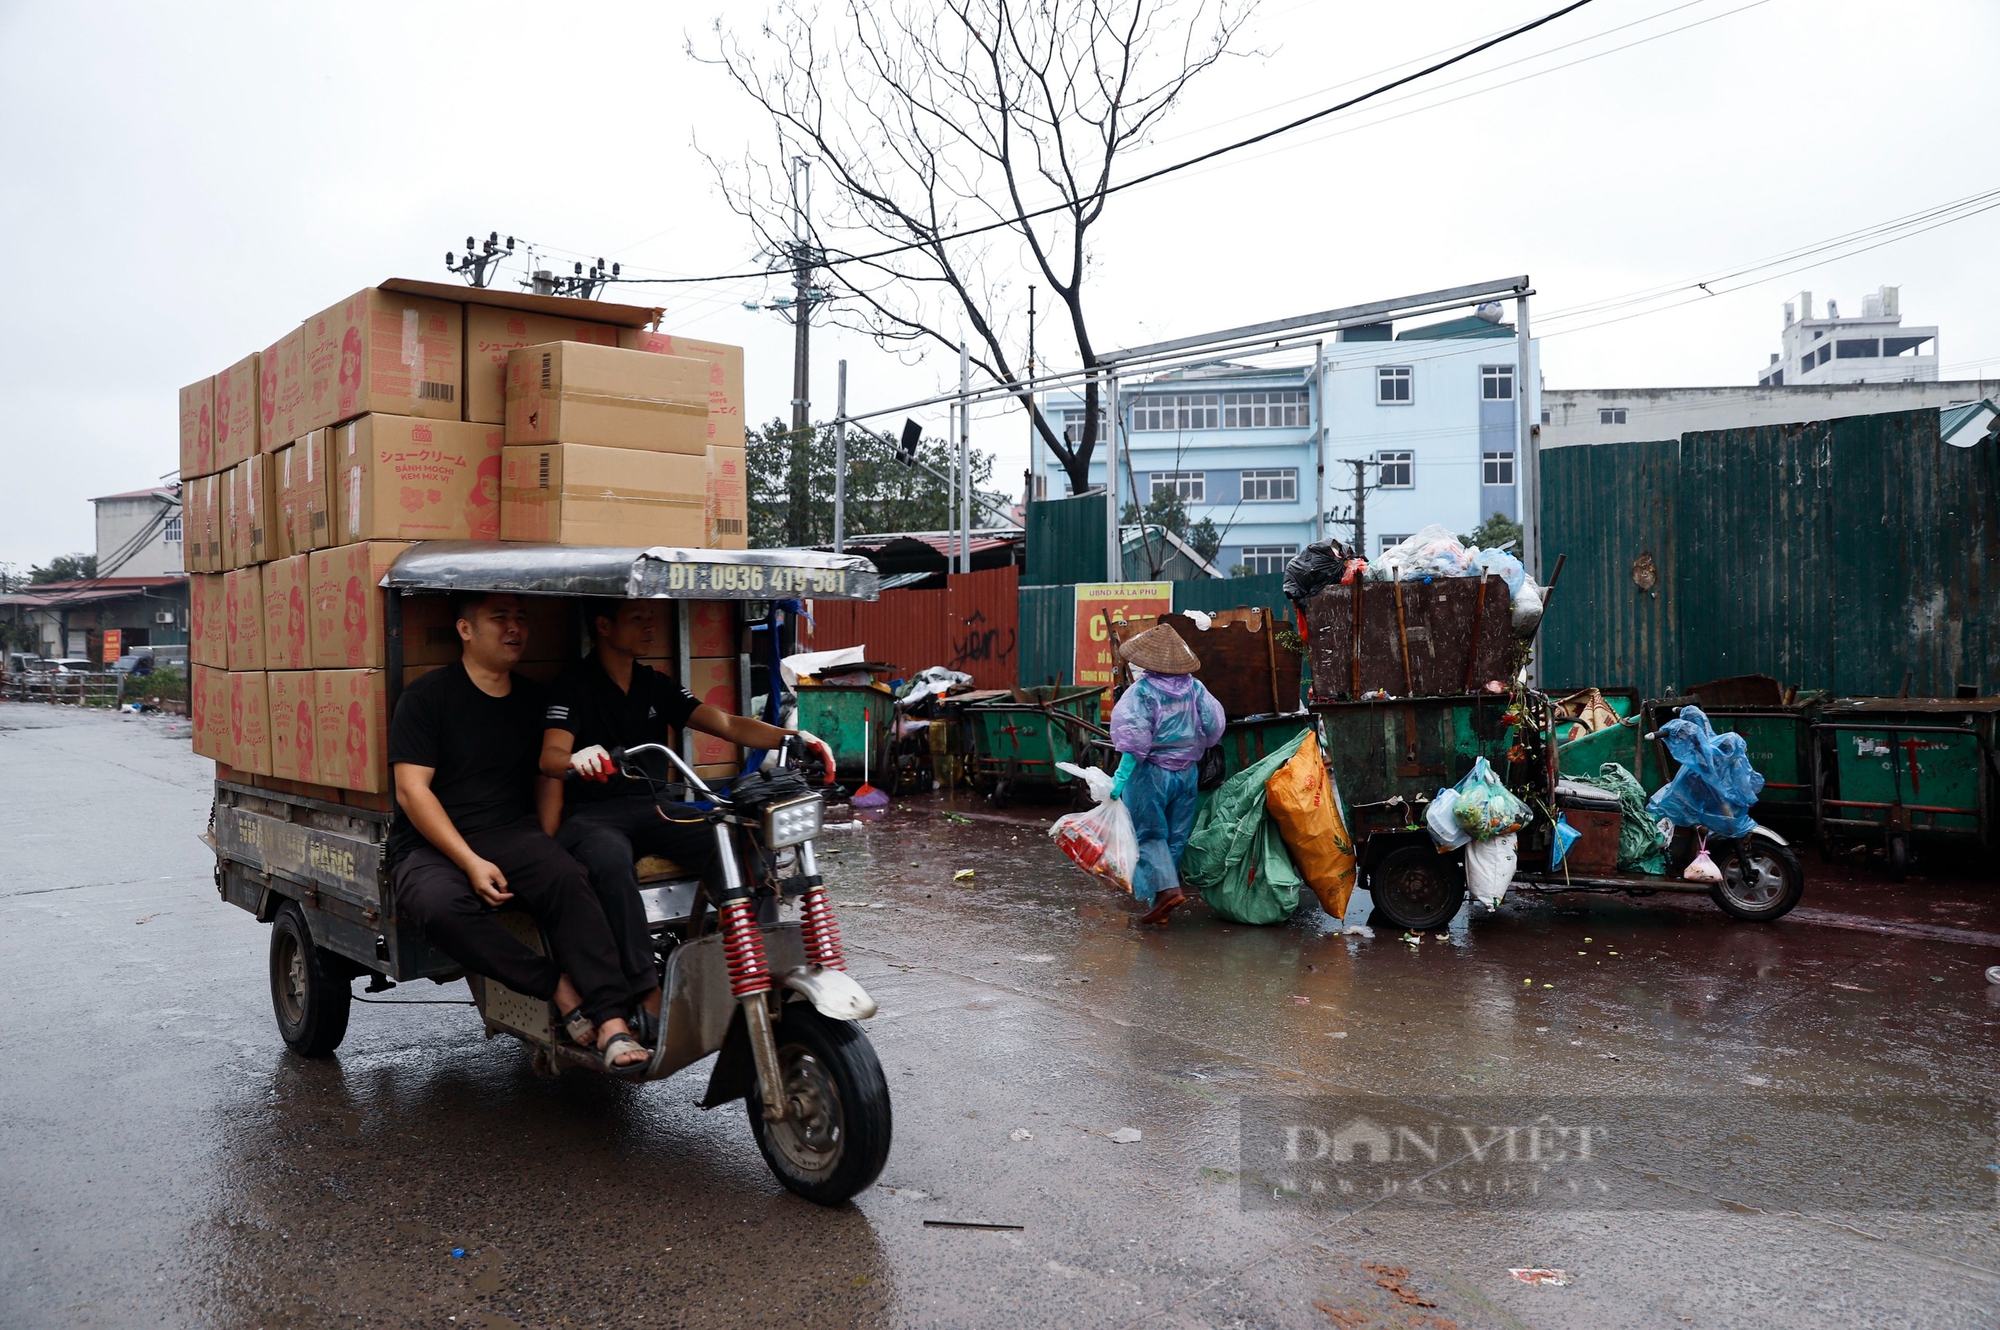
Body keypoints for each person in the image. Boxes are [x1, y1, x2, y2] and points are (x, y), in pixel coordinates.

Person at [389, 591, 649, 1072]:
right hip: (429, 843)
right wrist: (469, 861)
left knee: (568, 877)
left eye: (521, 618)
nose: (514, 628)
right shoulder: (426, 698)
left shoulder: (534, 700)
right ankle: (556, 987)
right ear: (465, 630)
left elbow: (545, 777)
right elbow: (412, 792)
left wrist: (545, 845)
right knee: (439, 907)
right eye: (499, 618)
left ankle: (613, 1021)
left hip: (509, 832)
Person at [539, 599, 827, 1034]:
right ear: (603, 626)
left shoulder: (655, 684)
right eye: (637, 619)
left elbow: (728, 725)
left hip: (653, 805)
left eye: (650, 618)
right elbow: (550, 756)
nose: (650, 627)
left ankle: (738, 951)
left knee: (734, 836)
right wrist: (577, 757)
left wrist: (794, 736)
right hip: (594, 816)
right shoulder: (573, 684)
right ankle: (644, 990)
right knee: (609, 863)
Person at [1109, 625, 1226, 926]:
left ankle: (1167, 892)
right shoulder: (1195, 688)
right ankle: (1161, 903)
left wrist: (1119, 779)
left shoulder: (1143, 692)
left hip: (1151, 775)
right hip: (1187, 774)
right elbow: (1213, 728)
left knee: (1150, 835)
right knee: (1174, 838)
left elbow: (1134, 741)